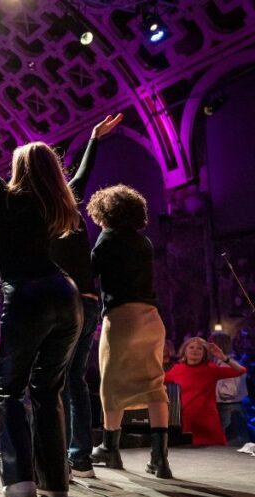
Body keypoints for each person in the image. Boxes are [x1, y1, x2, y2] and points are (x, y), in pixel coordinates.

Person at [0, 99, 83, 497]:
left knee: (8, 390)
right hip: (66, 294)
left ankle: (21, 481)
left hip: (27, 295)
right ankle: (56, 482)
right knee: (47, 391)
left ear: (19, 168)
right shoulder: (54, 202)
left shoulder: (5, 197)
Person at [50, 113, 124, 478]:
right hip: (89, 302)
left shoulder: (39, 211)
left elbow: (80, 173)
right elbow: (82, 172)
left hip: (63, 302)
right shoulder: (69, 202)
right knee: (75, 377)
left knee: (57, 378)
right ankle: (79, 458)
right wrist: (94, 137)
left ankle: (63, 453)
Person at [86, 184, 172, 479]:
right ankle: (159, 460)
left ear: (104, 212)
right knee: (154, 385)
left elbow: (89, 273)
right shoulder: (144, 242)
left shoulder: (107, 238)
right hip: (151, 318)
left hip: (122, 319)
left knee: (111, 385)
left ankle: (110, 448)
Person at [165, 337, 246, 445]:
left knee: (214, 457)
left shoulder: (211, 369)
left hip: (208, 422)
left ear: (204, 353)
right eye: (191, 347)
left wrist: (223, 357)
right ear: (184, 350)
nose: (195, 350)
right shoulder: (177, 369)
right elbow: (158, 382)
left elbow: (240, 371)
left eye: (199, 348)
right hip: (186, 421)